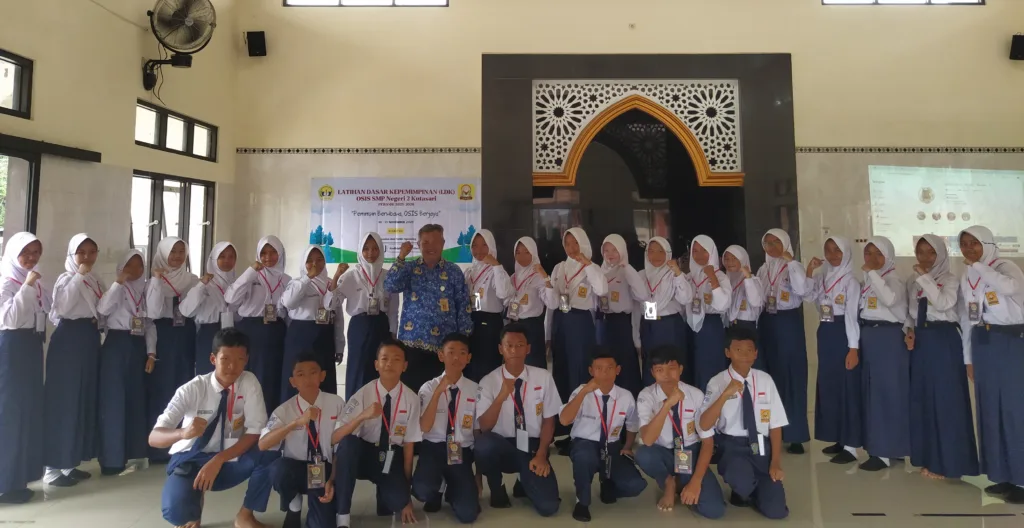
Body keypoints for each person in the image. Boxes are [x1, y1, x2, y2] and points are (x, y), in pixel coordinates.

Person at [149, 328, 280, 528]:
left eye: (239, 359)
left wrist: (219, 459)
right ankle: (193, 508)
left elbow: (255, 432)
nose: (232, 366)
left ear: (246, 360)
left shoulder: (248, 382)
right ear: (213, 359)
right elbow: (154, 437)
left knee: (270, 452)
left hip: (230, 458)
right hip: (191, 459)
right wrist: (183, 433)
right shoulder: (193, 389)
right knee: (176, 512)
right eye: (225, 359)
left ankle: (245, 516)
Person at [958, 225, 1024, 503]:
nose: (969, 248)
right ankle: (1002, 474)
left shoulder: (1005, 267)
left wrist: (978, 266)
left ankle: (1021, 479)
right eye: (964, 244)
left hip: (1009, 341)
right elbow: (966, 317)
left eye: (974, 243)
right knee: (989, 411)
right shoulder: (967, 275)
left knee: (1014, 411)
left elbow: (1010, 288)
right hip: (982, 342)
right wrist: (968, 358)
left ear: (987, 243)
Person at [905, 234, 978, 480]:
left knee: (946, 402)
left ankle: (950, 462)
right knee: (924, 400)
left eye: (931, 252)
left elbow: (944, 303)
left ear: (941, 254)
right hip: (922, 342)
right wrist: (909, 330)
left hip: (944, 341)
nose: (925, 257)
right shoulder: (914, 281)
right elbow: (911, 313)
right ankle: (930, 458)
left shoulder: (950, 280)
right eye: (920, 252)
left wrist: (924, 278)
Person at [699, 325, 788, 520]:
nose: (744, 355)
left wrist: (775, 462)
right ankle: (744, 489)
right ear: (728, 352)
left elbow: (775, 424)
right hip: (732, 446)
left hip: (761, 446)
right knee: (742, 479)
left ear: (756, 353)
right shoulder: (717, 382)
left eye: (749, 350)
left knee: (777, 512)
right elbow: (704, 424)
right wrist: (725, 395)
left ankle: (754, 492)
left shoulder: (765, 380)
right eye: (738, 350)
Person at [332, 338, 421, 527]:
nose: (389, 363)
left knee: (397, 502)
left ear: (404, 366)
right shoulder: (362, 394)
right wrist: (362, 416)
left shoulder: (411, 399)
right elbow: (335, 437)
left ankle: (385, 492)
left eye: (396, 359)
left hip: (391, 455)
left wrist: (406, 495)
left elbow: (409, 446)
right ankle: (343, 514)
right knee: (348, 444)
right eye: (384, 358)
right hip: (364, 454)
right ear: (376, 364)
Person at [475, 323, 562, 517]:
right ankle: (497, 488)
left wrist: (542, 454)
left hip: (532, 447)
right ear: (501, 349)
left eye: (520, 345)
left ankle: (523, 481)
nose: (514, 350)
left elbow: (549, 420)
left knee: (549, 507)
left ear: (528, 348)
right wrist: (501, 396)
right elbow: (484, 426)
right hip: (502, 446)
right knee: (483, 444)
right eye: (509, 345)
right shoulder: (488, 381)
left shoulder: (543, 377)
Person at [634, 345, 724, 518]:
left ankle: (682, 482)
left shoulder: (695, 395)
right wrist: (667, 404)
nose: (666, 375)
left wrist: (695, 482)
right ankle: (668, 482)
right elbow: (648, 440)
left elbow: (708, 442)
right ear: (652, 373)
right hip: (663, 453)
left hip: (690, 452)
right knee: (643, 454)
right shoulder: (646, 396)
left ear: (681, 369)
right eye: (659, 370)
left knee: (715, 510)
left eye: (672, 368)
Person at [43, 233, 104, 486]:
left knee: (82, 399)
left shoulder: (95, 279)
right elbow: (63, 308)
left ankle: (69, 463)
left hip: (89, 339)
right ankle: (52, 468)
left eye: (92, 252)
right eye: (82, 252)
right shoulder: (66, 278)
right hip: (69, 341)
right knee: (65, 401)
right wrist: (78, 275)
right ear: (72, 254)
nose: (87, 257)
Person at [559, 348, 647, 522]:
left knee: (636, 485)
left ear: (618, 370)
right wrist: (584, 392)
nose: (604, 373)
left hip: (612, 446)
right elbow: (564, 420)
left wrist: (627, 446)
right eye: (599, 368)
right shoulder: (581, 391)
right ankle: (582, 502)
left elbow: (632, 424)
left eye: (609, 368)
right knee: (585, 457)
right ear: (591, 371)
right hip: (585, 443)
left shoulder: (625, 396)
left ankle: (607, 482)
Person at [260, 352, 345, 528]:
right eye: (300, 374)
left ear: (322, 376)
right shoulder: (284, 410)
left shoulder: (337, 403)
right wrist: (295, 423)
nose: (307, 379)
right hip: (296, 469)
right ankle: (294, 505)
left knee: (322, 525)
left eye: (313, 372)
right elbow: (263, 444)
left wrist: (332, 480)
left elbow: (341, 448)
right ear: (293, 382)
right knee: (278, 470)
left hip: (325, 470)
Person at [384, 224, 472, 392]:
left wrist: (463, 340)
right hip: (412, 346)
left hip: (444, 349)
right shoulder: (409, 268)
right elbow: (390, 285)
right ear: (418, 245)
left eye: (436, 242)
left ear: (443, 243)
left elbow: (463, 306)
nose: (431, 247)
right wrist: (401, 257)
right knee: (411, 396)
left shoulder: (453, 271)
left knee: (442, 396)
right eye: (425, 243)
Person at [803, 237, 863, 464]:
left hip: (843, 334)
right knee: (830, 386)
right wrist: (809, 270)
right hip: (826, 331)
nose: (832, 255)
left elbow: (852, 316)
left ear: (846, 252)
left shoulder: (851, 282)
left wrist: (853, 348)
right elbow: (808, 296)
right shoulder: (822, 277)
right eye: (828, 250)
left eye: (837, 250)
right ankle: (838, 437)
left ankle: (851, 446)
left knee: (846, 387)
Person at [97, 249, 157, 476]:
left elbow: (150, 324)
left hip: (138, 345)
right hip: (117, 343)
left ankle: (134, 452)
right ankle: (112, 459)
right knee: (114, 401)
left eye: (139, 266)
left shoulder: (145, 290)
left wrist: (151, 353)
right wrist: (118, 283)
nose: (134, 270)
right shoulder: (116, 289)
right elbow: (103, 309)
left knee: (135, 399)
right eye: (129, 265)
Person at [0, 233, 49, 504]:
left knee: (27, 410)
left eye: (36, 252)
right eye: (25, 252)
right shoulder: (7, 281)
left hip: (30, 345)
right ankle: (5, 482)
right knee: (10, 413)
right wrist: (28, 286)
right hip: (11, 348)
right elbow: (10, 319)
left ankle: (19, 478)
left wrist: (33, 285)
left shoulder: (34, 280)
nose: (31, 257)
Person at [412, 333, 481, 523]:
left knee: (468, 514)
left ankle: (452, 488)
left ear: (468, 358)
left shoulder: (476, 390)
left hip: (461, 450)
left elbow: (477, 432)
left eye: (462, 353)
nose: (456, 357)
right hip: (433, 448)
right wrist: (438, 393)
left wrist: (478, 476)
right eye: (451, 352)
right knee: (423, 491)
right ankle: (438, 485)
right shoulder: (428, 388)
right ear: (441, 355)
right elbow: (424, 427)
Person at [541, 228, 607, 421]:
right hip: (561, 321)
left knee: (579, 368)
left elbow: (602, 289)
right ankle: (564, 421)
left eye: (575, 243)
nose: (571, 248)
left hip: (580, 322)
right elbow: (552, 304)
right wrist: (547, 334)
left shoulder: (592, 267)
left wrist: (587, 264)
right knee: (561, 368)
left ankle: (582, 420)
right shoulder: (559, 267)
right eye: (567, 244)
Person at [324, 232, 399, 400]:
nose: (370, 253)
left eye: (374, 248)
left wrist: (393, 333)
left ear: (381, 250)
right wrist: (336, 276)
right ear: (360, 251)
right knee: (358, 368)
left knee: (381, 368)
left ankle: (380, 407)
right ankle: (354, 409)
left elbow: (393, 309)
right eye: (366, 249)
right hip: (359, 326)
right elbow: (331, 304)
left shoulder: (388, 276)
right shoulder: (351, 276)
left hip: (382, 326)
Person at [756, 229, 811, 454]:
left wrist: (792, 263)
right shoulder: (763, 269)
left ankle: (795, 434)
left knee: (791, 375)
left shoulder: (793, 266)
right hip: (767, 322)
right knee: (770, 376)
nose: (772, 247)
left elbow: (802, 290)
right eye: (768, 243)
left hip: (788, 323)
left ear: (786, 243)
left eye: (776, 242)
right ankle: (772, 431)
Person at [146, 236, 200, 463]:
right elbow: (153, 312)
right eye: (172, 251)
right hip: (164, 336)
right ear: (163, 253)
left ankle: (184, 444)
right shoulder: (153, 281)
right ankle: (160, 447)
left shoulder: (193, 280)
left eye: (181, 251)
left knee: (185, 387)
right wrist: (157, 281)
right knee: (163, 388)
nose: (177, 256)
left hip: (186, 334)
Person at [858, 236, 909, 472]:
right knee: (874, 393)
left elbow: (889, 299)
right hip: (871, 336)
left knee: (886, 394)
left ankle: (883, 451)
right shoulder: (871, 279)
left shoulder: (893, 279)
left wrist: (871, 273)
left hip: (888, 338)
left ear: (888, 256)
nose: (872, 258)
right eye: (868, 253)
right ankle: (890, 448)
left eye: (878, 254)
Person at [226, 235, 291, 413]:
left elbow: (289, 312)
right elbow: (231, 298)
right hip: (250, 332)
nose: (268, 257)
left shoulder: (287, 280)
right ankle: (243, 418)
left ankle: (268, 418)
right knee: (247, 376)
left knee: (271, 377)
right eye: (263, 253)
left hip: (275, 332)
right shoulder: (251, 276)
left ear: (280, 254)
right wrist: (250, 272)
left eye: (273, 252)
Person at [281, 246, 337, 401]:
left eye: (319, 260)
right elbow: (289, 303)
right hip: (300, 334)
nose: (314, 264)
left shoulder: (330, 283)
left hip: (324, 334)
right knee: (298, 377)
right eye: (309, 261)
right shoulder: (296, 283)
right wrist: (307, 278)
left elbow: (337, 316)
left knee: (323, 379)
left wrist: (339, 346)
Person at [637, 236, 691, 389]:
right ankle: (652, 399)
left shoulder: (674, 274)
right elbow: (637, 306)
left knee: (672, 364)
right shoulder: (641, 275)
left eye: (661, 251)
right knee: (652, 364)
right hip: (649, 324)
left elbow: (686, 298)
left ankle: (676, 398)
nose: (656, 256)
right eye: (651, 251)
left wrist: (678, 274)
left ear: (668, 253)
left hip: (669, 325)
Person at [180, 241, 239, 375]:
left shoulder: (237, 283)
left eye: (231, 257)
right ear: (214, 259)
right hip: (209, 333)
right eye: (222, 256)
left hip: (232, 332)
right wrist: (202, 284)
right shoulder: (203, 283)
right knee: (208, 374)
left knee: (230, 374)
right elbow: (186, 310)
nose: (227, 260)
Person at [597, 234, 645, 396]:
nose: (610, 254)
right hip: (603, 323)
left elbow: (642, 294)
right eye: (606, 250)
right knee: (604, 364)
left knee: (624, 364)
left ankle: (628, 401)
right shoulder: (598, 272)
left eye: (614, 250)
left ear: (622, 251)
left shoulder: (627, 271)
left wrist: (628, 268)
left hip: (621, 323)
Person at [685, 235, 732, 392]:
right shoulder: (689, 277)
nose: (699, 255)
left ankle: (712, 404)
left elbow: (723, 305)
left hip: (710, 326)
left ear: (712, 252)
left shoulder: (720, 276)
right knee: (694, 367)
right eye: (695, 251)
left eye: (704, 251)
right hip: (690, 326)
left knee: (709, 367)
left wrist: (712, 277)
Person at [466, 229, 513, 381]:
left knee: (488, 366)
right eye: (475, 245)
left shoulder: (496, 270)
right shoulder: (469, 271)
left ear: (491, 246)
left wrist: (496, 266)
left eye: (484, 245)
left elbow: (503, 293)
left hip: (490, 322)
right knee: (471, 365)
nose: (479, 250)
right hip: (471, 320)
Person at [505, 236, 549, 369]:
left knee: (533, 366)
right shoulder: (512, 278)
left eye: (526, 252)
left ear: (533, 253)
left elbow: (552, 303)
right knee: (515, 366)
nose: (522, 256)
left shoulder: (539, 276)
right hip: (514, 326)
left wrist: (545, 277)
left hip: (532, 328)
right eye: (518, 252)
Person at [722, 245, 762, 335]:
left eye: (734, 258)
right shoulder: (725, 280)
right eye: (727, 259)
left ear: (742, 259)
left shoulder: (754, 280)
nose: (730, 262)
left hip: (746, 325)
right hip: (729, 325)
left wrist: (748, 278)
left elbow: (756, 302)